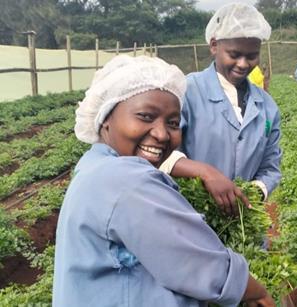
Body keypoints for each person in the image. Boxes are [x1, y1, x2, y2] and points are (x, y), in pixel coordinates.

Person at [52, 55, 275, 307]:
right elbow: (194, 261)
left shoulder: (96, 166)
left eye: (173, 123)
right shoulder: (126, 180)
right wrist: (255, 292)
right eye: (146, 116)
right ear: (106, 118)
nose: (161, 134)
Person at [160, 3, 282, 216]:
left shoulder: (267, 107)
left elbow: (271, 165)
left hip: (243, 221)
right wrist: (206, 174)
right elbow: (160, 151)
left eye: (252, 55)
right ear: (214, 45)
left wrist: (255, 192)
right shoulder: (186, 92)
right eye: (234, 54)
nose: (243, 64)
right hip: (191, 217)